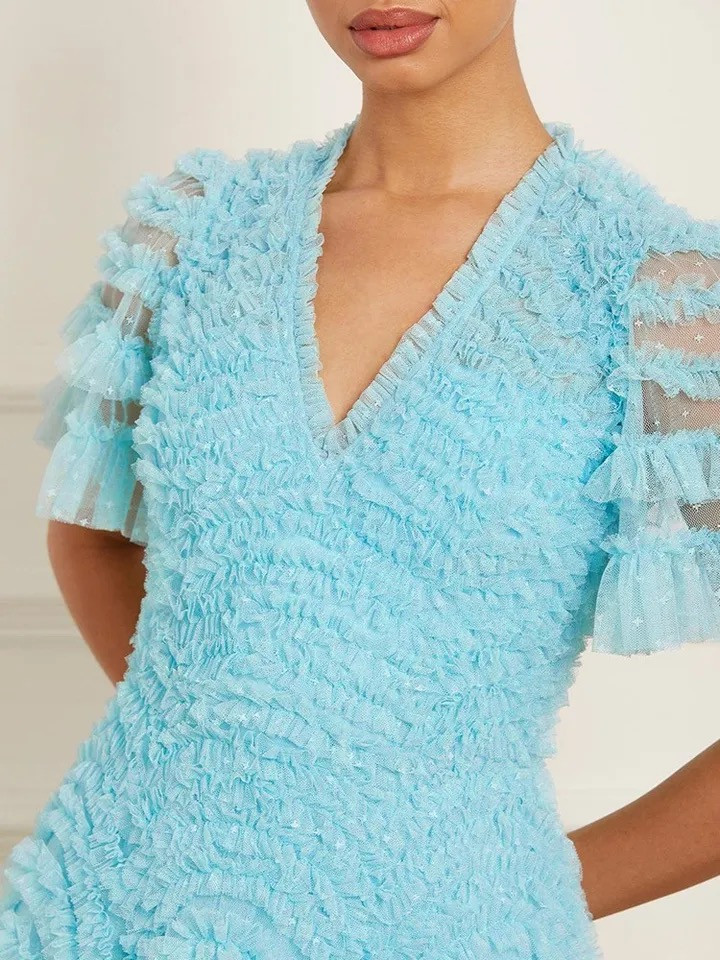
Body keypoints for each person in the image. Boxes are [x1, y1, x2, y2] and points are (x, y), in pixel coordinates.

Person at [2, 2, 719, 958]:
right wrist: (242, 768)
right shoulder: (191, 234)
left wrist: (516, 887)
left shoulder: (656, 294)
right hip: (104, 910)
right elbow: (90, 536)